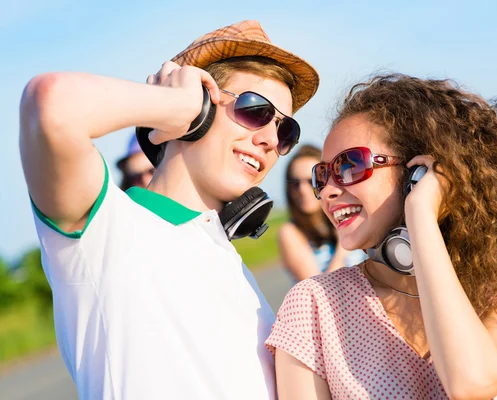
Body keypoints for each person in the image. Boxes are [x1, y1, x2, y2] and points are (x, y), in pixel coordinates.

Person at [19, 20, 318, 399]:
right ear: (200, 109)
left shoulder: (235, 268)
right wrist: (172, 105)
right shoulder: (107, 230)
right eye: (255, 109)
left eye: (285, 129)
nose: (271, 140)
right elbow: (49, 103)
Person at [265, 73, 497, 399]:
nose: (327, 193)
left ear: (417, 172)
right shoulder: (313, 305)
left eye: (350, 165)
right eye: (321, 176)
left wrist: (421, 214)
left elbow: (472, 381)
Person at [278, 144, 366, 282]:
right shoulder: (290, 232)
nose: (302, 190)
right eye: (295, 183)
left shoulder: (350, 213)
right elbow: (320, 291)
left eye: (311, 181)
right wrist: (342, 249)